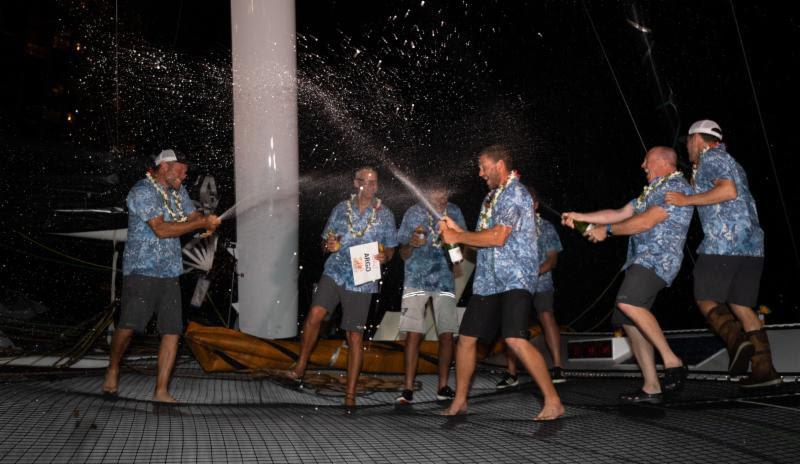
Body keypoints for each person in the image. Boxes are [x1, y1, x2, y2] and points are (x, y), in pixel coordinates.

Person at [439, 145, 564, 420]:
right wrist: (456, 231)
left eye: (484, 166)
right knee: (466, 339)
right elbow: (482, 237)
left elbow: (497, 237)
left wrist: (458, 238)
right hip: (488, 281)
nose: (480, 172)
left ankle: (553, 400)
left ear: (499, 165)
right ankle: (460, 401)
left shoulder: (516, 194)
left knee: (514, 339)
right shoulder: (490, 199)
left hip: (515, 278)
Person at [562, 146, 692, 404]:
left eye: (647, 161)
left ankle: (673, 361)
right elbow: (620, 213)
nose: (643, 165)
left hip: (658, 259)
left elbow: (647, 221)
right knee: (628, 320)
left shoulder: (676, 186)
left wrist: (606, 231)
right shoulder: (649, 192)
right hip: (639, 261)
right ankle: (651, 387)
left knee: (628, 301)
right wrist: (581, 217)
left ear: (662, 161)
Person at [665, 120, 781, 388]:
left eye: (688, 142)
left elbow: (728, 190)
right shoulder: (729, 160)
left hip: (724, 242)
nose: (686, 147)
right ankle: (765, 371)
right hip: (752, 246)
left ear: (697, 139)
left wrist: (686, 199)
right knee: (741, 306)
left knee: (704, 297)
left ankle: (737, 342)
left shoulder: (712, 157)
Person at [102, 149, 220, 403]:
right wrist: (199, 225)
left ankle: (161, 390)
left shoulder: (179, 192)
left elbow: (191, 215)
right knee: (129, 326)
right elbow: (162, 230)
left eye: (186, 171)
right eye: (181, 169)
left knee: (172, 330)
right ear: (164, 166)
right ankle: (113, 367)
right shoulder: (142, 191)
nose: (185, 175)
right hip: (142, 269)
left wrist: (205, 219)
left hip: (171, 271)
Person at [288, 167, 398, 412]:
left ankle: (350, 394)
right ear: (355, 183)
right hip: (335, 271)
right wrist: (328, 245)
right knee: (315, 315)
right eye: (366, 182)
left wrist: (386, 255)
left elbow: (392, 248)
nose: (371, 187)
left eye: (374, 183)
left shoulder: (385, 214)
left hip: (362, 278)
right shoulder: (340, 209)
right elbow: (325, 241)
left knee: (354, 336)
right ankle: (301, 366)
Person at [394, 185, 467, 404]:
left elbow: (462, 247)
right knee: (413, 334)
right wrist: (412, 244)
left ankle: (443, 387)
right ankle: (407, 388)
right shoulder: (413, 212)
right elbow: (402, 253)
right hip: (415, 279)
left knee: (447, 334)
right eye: (437, 194)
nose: (442, 198)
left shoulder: (454, 212)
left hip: (445, 280)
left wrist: (455, 245)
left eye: (445, 193)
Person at [497, 188, 566, 389]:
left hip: (540, 280)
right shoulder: (511, 225)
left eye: (530, 201)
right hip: (516, 283)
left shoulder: (546, 227)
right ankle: (512, 373)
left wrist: (533, 272)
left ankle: (558, 367)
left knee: (546, 315)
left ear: (535, 204)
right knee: (512, 321)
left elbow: (552, 260)